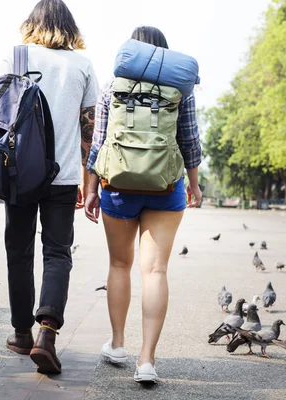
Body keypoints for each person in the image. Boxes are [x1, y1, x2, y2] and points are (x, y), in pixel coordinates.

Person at [83, 26, 202, 383]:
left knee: (120, 264)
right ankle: (146, 360)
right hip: (166, 188)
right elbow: (190, 140)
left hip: (118, 186)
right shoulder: (180, 89)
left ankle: (117, 344)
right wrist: (193, 184)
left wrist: (90, 188)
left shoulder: (112, 85)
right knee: (156, 271)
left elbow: (98, 143)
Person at [0, 0, 99, 375]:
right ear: (69, 27)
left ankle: (22, 333)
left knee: (19, 251)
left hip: (19, 173)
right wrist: (91, 181)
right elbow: (91, 130)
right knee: (57, 253)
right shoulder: (83, 64)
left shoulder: (16, 58)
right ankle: (47, 334)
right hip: (63, 175)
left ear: (32, 23)